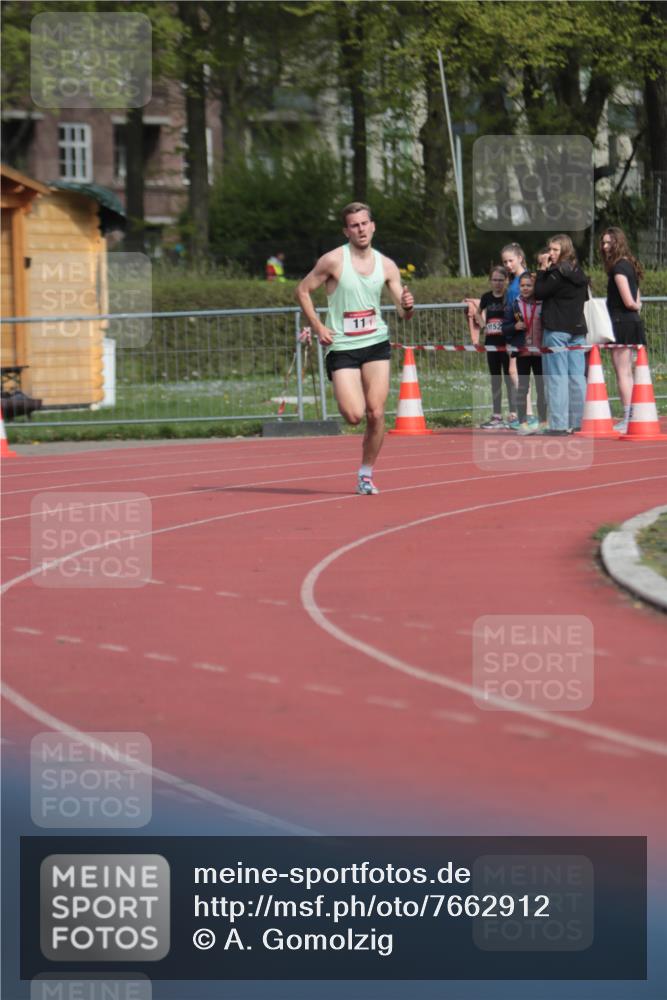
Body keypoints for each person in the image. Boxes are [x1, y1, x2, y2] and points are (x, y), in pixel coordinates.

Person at [295, 201, 414, 495]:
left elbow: (403, 311)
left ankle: (365, 474)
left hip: (375, 343)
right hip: (343, 346)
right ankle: (351, 404)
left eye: (364, 224)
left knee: (376, 413)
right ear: (346, 231)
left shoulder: (387, 265)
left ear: (373, 226)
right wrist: (318, 326)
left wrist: (408, 306)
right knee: (354, 415)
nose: (360, 229)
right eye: (354, 225)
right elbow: (302, 290)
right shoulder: (333, 260)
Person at [534, 234, 588, 435]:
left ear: (565, 250)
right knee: (577, 376)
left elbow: (539, 292)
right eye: (549, 249)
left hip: (557, 329)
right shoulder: (579, 272)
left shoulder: (556, 272)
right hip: (577, 329)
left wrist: (542, 270)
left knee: (557, 377)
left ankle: (558, 424)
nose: (550, 253)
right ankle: (579, 421)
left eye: (555, 249)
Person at [599, 227, 646, 433]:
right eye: (603, 243)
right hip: (632, 322)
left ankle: (629, 416)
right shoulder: (630, 265)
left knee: (622, 372)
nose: (605, 247)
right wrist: (637, 306)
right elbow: (637, 295)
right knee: (629, 371)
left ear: (618, 243)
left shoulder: (618, 268)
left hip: (620, 323)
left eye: (609, 243)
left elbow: (628, 300)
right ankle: (635, 414)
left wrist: (633, 305)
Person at [469, 265, 516, 429]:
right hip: (491, 344)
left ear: (506, 281)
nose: (497, 283)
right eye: (494, 280)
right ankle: (496, 415)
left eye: (501, 280)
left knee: (509, 378)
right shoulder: (486, 297)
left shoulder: (509, 296)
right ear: (490, 281)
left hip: (507, 343)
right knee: (495, 379)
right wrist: (483, 325)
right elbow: (477, 312)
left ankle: (513, 414)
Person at [503, 271, 547, 435]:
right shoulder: (514, 304)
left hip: (540, 353)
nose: (525, 288)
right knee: (523, 388)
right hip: (522, 353)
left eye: (529, 285)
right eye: (522, 285)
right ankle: (523, 423)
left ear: (535, 286)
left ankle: (543, 422)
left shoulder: (542, 303)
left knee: (542, 388)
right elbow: (504, 328)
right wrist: (514, 327)